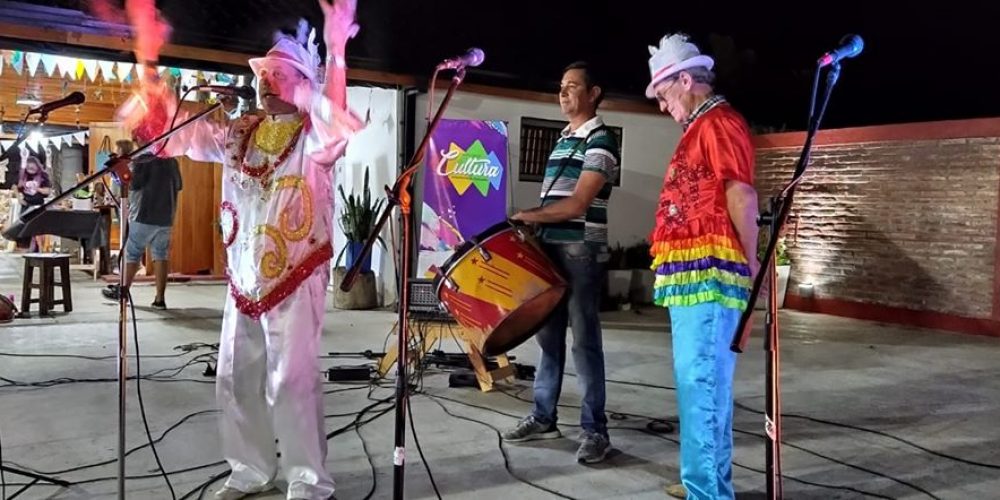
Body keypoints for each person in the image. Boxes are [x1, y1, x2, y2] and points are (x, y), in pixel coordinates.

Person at [120, 0, 362, 498]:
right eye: (262, 73)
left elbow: (335, 120)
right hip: (243, 275)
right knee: (233, 377)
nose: (265, 81)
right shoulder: (237, 132)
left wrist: (336, 49)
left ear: (302, 83)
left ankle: (308, 480)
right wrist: (148, 63)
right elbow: (175, 135)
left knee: (292, 382)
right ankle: (250, 469)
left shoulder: (312, 134)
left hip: (296, 274)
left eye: (277, 73)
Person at [643, 33, 760, 499]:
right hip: (695, 276)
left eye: (665, 93)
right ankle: (708, 483)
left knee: (701, 383)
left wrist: (749, 271)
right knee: (700, 385)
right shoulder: (702, 126)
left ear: (687, 80)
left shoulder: (719, 123)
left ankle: (707, 492)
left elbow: (742, 194)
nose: (662, 105)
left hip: (711, 274)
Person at [503, 61, 620, 464]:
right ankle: (543, 416)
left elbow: (579, 203)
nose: (564, 92)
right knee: (546, 339)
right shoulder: (562, 139)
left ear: (593, 94)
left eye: (573, 86)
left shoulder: (600, 139)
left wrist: (530, 216)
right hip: (550, 251)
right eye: (561, 86)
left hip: (581, 251)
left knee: (585, 341)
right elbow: (555, 202)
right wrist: (532, 223)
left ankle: (595, 430)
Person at [101, 138, 183, 310]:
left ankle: (122, 292)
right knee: (161, 255)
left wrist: (119, 173)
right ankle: (160, 299)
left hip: (143, 214)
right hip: (167, 215)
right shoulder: (172, 161)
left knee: (132, 253)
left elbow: (134, 185)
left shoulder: (142, 160)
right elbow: (178, 185)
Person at [14, 155, 52, 251]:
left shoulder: (43, 176)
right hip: (26, 205)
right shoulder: (24, 175)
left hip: (38, 205)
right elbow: (15, 186)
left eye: (32, 167)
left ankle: (37, 247)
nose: (30, 169)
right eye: (28, 167)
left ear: (37, 166)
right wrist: (19, 198)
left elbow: (47, 191)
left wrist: (37, 188)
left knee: (37, 227)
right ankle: (25, 247)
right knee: (24, 226)